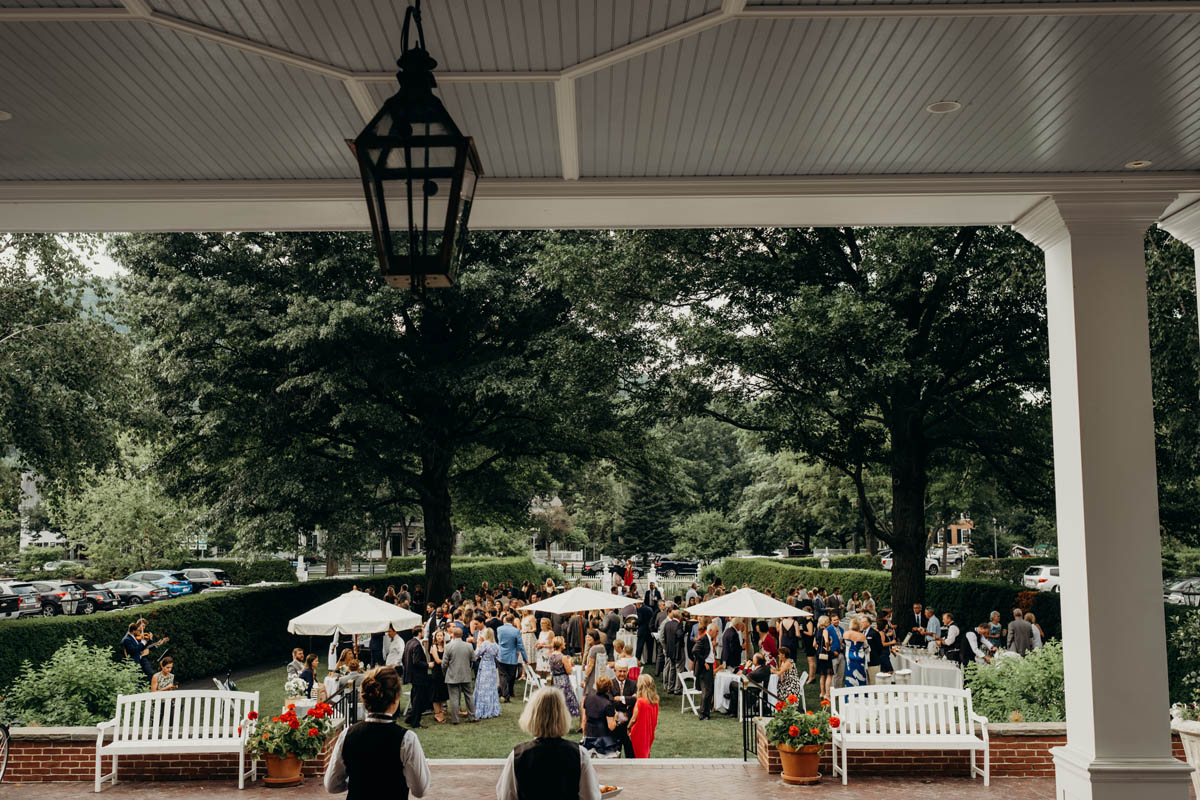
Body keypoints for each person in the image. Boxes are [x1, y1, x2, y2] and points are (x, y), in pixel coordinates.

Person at [324, 666, 431, 799]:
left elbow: (332, 785)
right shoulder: (406, 739)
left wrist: (358, 780)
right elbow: (420, 790)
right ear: (396, 699)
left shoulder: (347, 734)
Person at [495, 687, 601, 800]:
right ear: (563, 715)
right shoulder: (579, 754)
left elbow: (505, 796)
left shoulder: (518, 755)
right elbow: (591, 796)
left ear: (532, 716)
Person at [441, 625, 477, 724]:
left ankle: (455, 719)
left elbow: (444, 663)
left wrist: (445, 673)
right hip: (466, 674)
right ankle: (472, 717)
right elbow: (474, 659)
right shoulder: (468, 646)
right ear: (461, 635)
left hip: (452, 675)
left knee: (454, 698)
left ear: (453, 635)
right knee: (469, 696)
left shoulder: (448, 646)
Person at [580, 675, 620, 756]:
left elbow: (584, 720)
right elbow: (611, 726)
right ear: (609, 688)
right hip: (603, 739)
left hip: (589, 735)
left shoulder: (588, 698)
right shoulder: (608, 704)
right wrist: (616, 718)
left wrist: (584, 736)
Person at [548, 636, 581, 725]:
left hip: (555, 680)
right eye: (564, 642)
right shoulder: (563, 657)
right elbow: (569, 671)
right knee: (566, 701)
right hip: (563, 680)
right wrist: (569, 662)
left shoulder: (550, 655)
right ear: (560, 645)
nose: (565, 644)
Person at [402, 626, 431, 728]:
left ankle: (410, 718)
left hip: (411, 675)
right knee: (418, 699)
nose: (423, 633)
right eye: (422, 631)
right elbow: (416, 661)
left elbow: (404, 658)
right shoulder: (417, 645)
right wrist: (428, 665)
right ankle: (415, 721)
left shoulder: (409, 643)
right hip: (418, 676)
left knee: (414, 696)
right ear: (419, 633)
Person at [627, 673, 660, 758]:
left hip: (639, 732)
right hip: (649, 731)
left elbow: (634, 719)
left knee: (639, 754)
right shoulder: (655, 700)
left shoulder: (640, 701)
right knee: (646, 752)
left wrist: (628, 727)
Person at [497, 614, 527, 703]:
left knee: (502, 675)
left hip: (501, 654)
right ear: (513, 621)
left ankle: (505, 694)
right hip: (512, 656)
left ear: (505, 620)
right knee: (511, 676)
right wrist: (525, 659)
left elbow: (499, 640)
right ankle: (507, 693)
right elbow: (520, 645)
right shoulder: (516, 631)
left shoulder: (499, 629)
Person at [474, 627, 503, 720]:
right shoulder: (496, 645)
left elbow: (476, 654)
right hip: (492, 666)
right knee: (491, 687)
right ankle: (492, 708)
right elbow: (500, 658)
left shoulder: (485, 644)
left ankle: (482, 709)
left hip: (484, 666)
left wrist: (478, 645)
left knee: (483, 687)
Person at [691, 621, 718, 720]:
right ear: (710, 631)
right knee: (706, 691)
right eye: (716, 631)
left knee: (709, 690)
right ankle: (702, 713)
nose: (717, 633)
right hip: (704, 667)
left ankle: (706, 712)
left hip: (709, 666)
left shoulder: (709, 639)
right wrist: (704, 662)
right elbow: (694, 650)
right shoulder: (703, 639)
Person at [610, 664, 637, 757]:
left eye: (624, 671)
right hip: (615, 723)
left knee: (630, 753)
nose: (622, 673)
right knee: (615, 753)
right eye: (620, 671)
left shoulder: (633, 684)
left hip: (629, 725)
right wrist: (628, 701)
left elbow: (636, 699)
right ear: (615, 671)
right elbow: (610, 701)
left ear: (628, 671)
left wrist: (621, 698)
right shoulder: (610, 684)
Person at [661, 609, 685, 694]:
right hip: (678, 650)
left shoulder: (667, 624)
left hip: (670, 650)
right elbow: (679, 635)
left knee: (672, 668)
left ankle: (670, 687)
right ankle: (677, 688)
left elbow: (664, 636)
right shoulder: (678, 625)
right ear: (679, 616)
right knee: (679, 669)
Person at [428, 628, 449, 723]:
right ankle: (437, 713)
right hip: (437, 672)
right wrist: (448, 662)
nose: (440, 637)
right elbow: (437, 660)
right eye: (438, 635)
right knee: (436, 693)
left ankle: (441, 711)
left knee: (442, 693)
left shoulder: (446, 647)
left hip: (444, 673)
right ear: (435, 637)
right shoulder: (433, 647)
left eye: (441, 635)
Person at [842, 616, 869, 687]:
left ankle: (850, 694)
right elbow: (866, 647)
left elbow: (842, 644)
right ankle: (862, 694)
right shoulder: (862, 636)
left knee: (850, 674)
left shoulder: (846, 634)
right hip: (860, 657)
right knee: (861, 675)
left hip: (849, 657)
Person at [814, 615, 833, 700]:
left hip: (818, 653)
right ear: (825, 622)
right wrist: (828, 648)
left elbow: (814, 644)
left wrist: (818, 649)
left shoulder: (817, 631)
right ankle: (827, 694)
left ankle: (822, 693)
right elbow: (826, 641)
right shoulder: (825, 630)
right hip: (825, 653)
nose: (829, 623)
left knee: (822, 674)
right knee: (829, 674)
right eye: (828, 621)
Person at [864, 616, 884, 684]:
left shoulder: (874, 633)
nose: (861, 623)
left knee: (874, 681)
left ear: (868, 623)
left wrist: (875, 656)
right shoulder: (861, 633)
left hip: (874, 661)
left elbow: (880, 647)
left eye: (863, 622)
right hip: (864, 662)